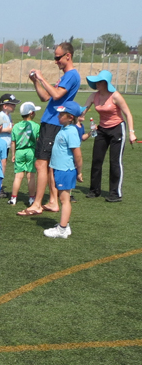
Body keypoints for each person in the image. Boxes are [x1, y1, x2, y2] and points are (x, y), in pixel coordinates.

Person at [20, 42, 80, 216]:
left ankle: (37, 204)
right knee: (48, 166)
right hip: (50, 122)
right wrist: (36, 82)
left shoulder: (71, 75)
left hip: (53, 123)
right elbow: (46, 97)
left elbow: (56, 94)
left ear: (68, 56)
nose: (56, 61)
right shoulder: (65, 76)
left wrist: (41, 77)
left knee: (41, 164)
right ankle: (53, 201)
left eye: (58, 57)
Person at [81, 69, 136, 202]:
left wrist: (131, 133)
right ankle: (94, 190)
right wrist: (79, 117)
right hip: (102, 130)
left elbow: (128, 114)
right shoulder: (94, 96)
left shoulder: (115, 96)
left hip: (117, 129)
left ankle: (115, 193)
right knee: (97, 160)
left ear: (106, 83)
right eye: (96, 82)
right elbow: (83, 110)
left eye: (100, 82)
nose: (97, 84)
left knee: (115, 162)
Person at [43, 101, 83, 239]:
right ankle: (65, 225)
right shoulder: (64, 128)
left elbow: (78, 155)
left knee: (64, 200)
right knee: (62, 199)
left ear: (70, 117)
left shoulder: (71, 132)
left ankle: (62, 229)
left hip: (65, 170)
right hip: (59, 169)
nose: (58, 116)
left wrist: (79, 171)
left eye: (61, 114)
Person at [9, 101, 41, 205]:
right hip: (31, 152)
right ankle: (31, 198)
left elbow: (13, 142)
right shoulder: (36, 126)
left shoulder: (16, 126)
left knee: (18, 177)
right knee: (31, 177)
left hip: (19, 152)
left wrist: (13, 154)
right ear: (31, 113)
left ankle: (13, 198)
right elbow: (38, 141)